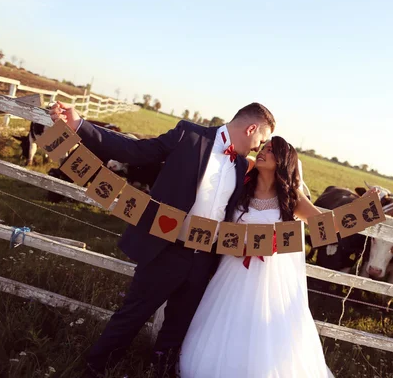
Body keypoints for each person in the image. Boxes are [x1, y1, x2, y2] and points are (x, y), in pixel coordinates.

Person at [48, 101, 276, 377]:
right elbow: (133, 150)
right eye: (260, 140)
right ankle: (94, 368)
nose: (258, 147)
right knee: (133, 314)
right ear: (251, 128)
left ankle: (162, 371)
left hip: (204, 258)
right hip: (166, 249)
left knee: (179, 326)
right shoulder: (189, 135)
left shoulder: (242, 166)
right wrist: (79, 125)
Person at [178, 136, 334, 378]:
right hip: (233, 268)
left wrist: (368, 206)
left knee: (266, 326)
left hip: (272, 276)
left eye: (271, 150)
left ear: (282, 161)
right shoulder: (242, 187)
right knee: (227, 319)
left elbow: (326, 226)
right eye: (264, 147)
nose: (263, 151)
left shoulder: (291, 198)